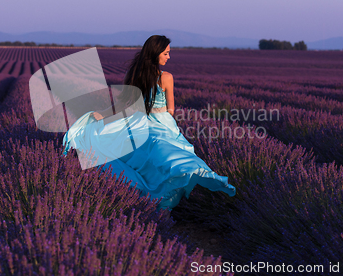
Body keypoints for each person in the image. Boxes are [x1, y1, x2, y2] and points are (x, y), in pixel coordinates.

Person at [63, 35, 236, 209]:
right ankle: (174, 194)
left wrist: (104, 114)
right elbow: (171, 109)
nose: (169, 57)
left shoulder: (134, 74)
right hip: (162, 122)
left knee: (147, 159)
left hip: (138, 121)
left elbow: (123, 103)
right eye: (166, 53)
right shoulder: (166, 77)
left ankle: (152, 199)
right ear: (156, 53)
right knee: (171, 156)